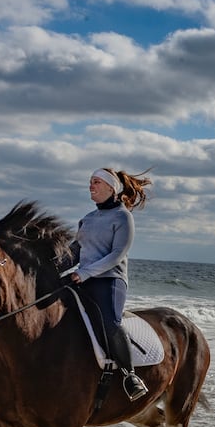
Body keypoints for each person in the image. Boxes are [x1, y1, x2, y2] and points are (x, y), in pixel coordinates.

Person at [68, 167, 151, 402]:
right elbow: (75, 253)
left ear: (111, 187)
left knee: (110, 322)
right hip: (83, 276)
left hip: (110, 280)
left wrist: (84, 274)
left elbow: (116, 255)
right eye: (90, 182)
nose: (90, 186)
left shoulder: (123, 217)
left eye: (95, 182)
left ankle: (130, 376)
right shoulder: (88, 219)